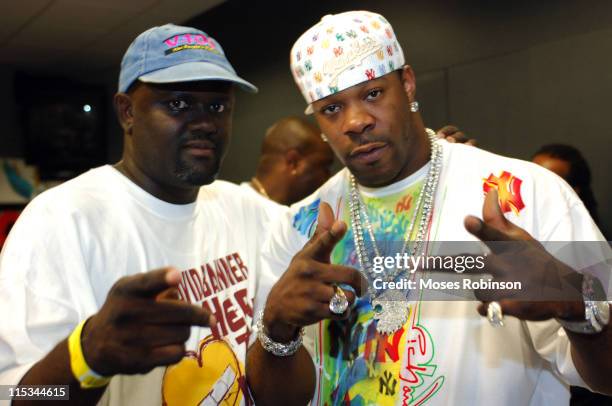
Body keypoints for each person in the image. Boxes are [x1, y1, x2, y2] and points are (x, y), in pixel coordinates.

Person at [246, 11, 611, 405]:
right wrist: (277, 329)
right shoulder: (297, 227)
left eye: (372, 93)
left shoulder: (526, 194)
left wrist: (575, 304)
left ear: (407, 83)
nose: (355, 121)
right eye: (332, 108)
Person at [0, 24, 281, 405]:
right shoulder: (60, 220)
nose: (204, 123)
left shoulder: (242, 207)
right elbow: (14, 395)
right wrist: (88, 355)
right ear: (127, 112)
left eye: (217, 106)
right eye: (178, 103)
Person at [242, 117, 334, 205]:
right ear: (293, 162)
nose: (328, 178)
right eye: (323, 166)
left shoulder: (290, 214)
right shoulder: (234, 208)